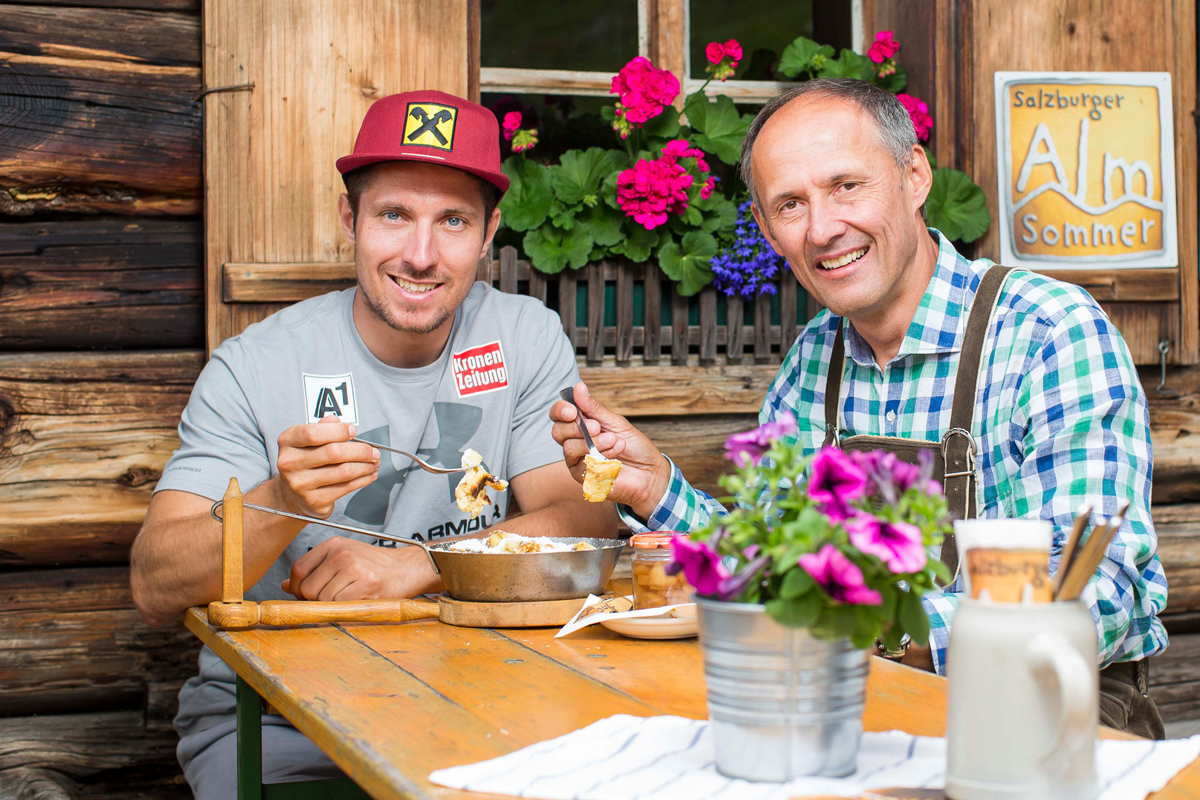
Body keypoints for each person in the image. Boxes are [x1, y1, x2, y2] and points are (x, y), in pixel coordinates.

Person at [550, 78, 1168, 738]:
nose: (822, 229)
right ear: (765, 229)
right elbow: (769, 563)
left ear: (914, 175)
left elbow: (1100, 590)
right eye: (790, 204)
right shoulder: (813, 360)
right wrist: (655, 489)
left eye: (846, 186)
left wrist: (886, 630)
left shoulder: (1048, 332)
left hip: (1054, 713)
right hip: (867, 704)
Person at [131, 90, 615, 798]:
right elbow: (153, 584)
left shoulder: (522, 335)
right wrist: (280, 501)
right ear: (349, 219)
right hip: (278, 728)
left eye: (453, 221)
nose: (421, 255)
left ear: (489, 235)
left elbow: (585, 521)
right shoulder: (254, 364)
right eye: (394, 215)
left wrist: (418, 564)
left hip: (486, 698)